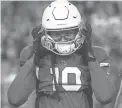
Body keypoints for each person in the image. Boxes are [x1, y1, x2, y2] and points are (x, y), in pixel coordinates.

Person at [7, 0, 117, 108]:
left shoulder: (96, 54)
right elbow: (15, 99)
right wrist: (34, 56)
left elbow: (105, 97)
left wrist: (90, 56)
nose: (63, 39)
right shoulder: (33, 55)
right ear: (45, 33)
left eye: (68, 33)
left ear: (79, 31)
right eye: (56, 34)